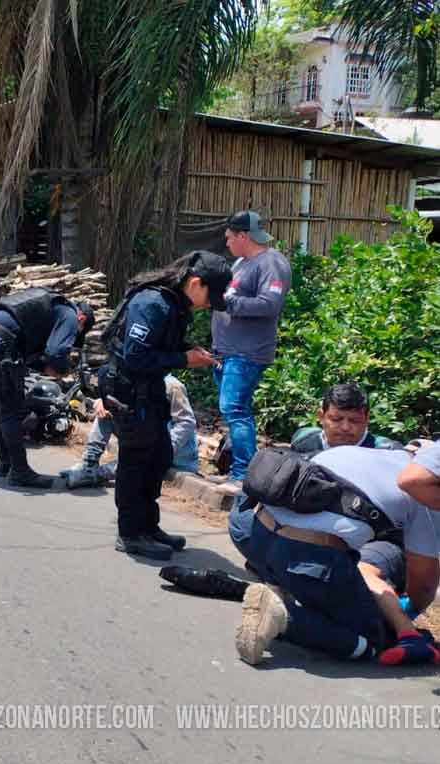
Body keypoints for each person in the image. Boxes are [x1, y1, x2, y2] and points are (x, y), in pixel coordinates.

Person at [235, 445, 440, 666]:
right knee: (372, 639)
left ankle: (279, 586)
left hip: (249, 531)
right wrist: (408, 613)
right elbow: (424, 585)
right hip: (304, 558)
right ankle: (284, 617)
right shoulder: (426, 499)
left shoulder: (358, 452)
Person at [101, 251, 230, 560]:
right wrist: (185, 359)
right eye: (211, 296)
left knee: (158, 455)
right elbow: (135, 355)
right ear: (196, 283)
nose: (211, 304)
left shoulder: (175, 304)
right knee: (136, 462)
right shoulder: (153, 304)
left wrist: (188, 351)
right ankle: (131, 533)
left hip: (149, 388)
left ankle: (149, 526)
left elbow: (161, 346)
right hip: (128, 390)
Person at [0, 288, 95, 488]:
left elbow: (28, 353)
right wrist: (61, 370)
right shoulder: (70, 315)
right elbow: (56, 352)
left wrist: (45, 367)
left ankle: (6, 464)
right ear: (82, 319)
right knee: (10, 412)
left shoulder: (48, 304)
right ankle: (20, 472)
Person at [211, 210, 293, 486]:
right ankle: (235, 466)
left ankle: (243, 475)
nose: (227, 243)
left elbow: (270, 304)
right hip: (226, 351)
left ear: (243, 235)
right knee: (232, 410)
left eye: (229, 237)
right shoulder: (241, 263)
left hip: (246, 353)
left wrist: (228, 304)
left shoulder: (271, 262)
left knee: (235, 409)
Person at [74, 374, 200, 478]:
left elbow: (186, 422)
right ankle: (89, 462)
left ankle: (96, 474)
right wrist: (101, 402)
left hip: (174, 455)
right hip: (146, 440)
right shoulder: (136, 380)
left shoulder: (172, 386)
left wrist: (165, 448)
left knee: (131, 464)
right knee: (107, 411)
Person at [291, 382, 401, 455]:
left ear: (367, 419)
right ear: (321, 416)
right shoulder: (302, 441)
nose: (345, 427)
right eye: (336, 419)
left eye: (354, 421)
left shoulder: (388, 452)